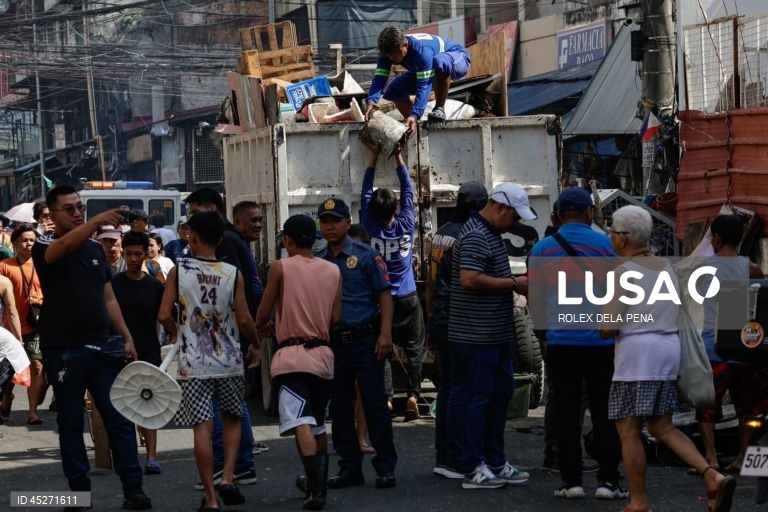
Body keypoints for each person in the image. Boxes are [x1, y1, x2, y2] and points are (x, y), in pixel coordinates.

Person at [600, 205, 736, 512]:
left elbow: (609, 326)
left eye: (613, 232)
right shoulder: (666, 268)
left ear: (623, 237)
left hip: (637, 358)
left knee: (628, 429)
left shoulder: (623, 273)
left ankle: (639, 502)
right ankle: (711, 476)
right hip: (667, 351)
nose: (611, 237)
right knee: (663, 427)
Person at [32, 185, 151, 510]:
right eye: (68, 209)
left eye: (79, 208)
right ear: (53, 215)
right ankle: (78, 496)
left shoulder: (95, 249)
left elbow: (108, 297)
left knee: (119, 420)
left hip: (102, 348)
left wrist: (126, 335)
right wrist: (96, 221)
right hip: (65, 351)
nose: (76, 213)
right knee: (71, 424)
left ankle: (134, 490)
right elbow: (63, 247)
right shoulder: (45, 245)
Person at [528, 186, 626, 500]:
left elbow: (536, 299)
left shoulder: (542, 249)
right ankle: (608, 482)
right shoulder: (608, 246)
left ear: (558, 215)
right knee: (605, 411)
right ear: (589, 212)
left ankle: (571, 482)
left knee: (566, 412)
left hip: (561, 342)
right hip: (601, 342)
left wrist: (543, 337)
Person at [158, 211, 259, 512]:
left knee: (202, 429)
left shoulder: (180, 271)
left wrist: (177, 332)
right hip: (229, 360)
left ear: (192, 237)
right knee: (232, 418)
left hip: (194, 363)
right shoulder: (233, 273)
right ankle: (227, 477)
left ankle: (211, 498)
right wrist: (256, 344)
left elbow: (163, 315)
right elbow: (244, 319)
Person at [447, 183, 533, 490]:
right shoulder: (475, 235)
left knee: (498, 397)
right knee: (477, 399)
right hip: (474, 336)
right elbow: (469, 279)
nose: (516, 223)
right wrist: (514, 284)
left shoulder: (491, 233)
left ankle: (495, 461)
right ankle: (473, 466)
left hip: (494, 335)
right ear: (500, 207)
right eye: (514, 216)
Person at [254, 214, 342, 510]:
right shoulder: (333, 270)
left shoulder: (280, 267)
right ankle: (314, 484)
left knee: (300, 420)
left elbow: (263, 311)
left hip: (291, 357)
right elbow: (336, 317)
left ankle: (317, 491)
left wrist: (261, 328)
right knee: (317, 424)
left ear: (288, 241)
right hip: (324, 358)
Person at [316, 197, 398, 488]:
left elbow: (384, 294)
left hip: (365, 340)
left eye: (335, 220)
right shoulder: (319, 261)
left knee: (375, 405)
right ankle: (350, 468)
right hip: (334, 343)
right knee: (339, 408)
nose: (329, 226)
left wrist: (385, 334)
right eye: (324, 221)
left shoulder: (366, 256)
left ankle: (385, 467)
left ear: (347, 223)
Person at [185, 188, 259, 488]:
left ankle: (225, 470)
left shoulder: (222, 243)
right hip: (229, 341)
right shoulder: (231, 240)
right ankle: (238, 467)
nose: (192, 219)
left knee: (215, 414)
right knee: (232, 408)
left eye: (195, 212)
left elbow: (237, 302)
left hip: (218, 343)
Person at [426, 180, 487, 479]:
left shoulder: (441, 234)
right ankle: (457, 456)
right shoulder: (469, 235)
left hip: (440, 315)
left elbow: (431, 282)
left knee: (448, 389)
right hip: (460, 318)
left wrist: (430, 318)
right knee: (462, 390)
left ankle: (445, 456)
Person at [695, 214, 766, 473]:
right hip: (744, 345)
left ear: (716, 238)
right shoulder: (752, 269)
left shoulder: (703, 269)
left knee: (707, 404)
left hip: (714, 346)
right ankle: (744, 458)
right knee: (747, 406)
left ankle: (711, 458)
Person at [360, 143, 424, 420]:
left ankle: (386, 399)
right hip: (408, 297)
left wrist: (373, 156)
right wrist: (398, 155)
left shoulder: (368, 226)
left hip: (379, 300)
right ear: (395, 209)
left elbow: (365, 192)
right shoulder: (406, 223)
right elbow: (408, 190)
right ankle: (412, 394)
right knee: (414, 348)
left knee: (381, 349)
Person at [112, 230, 165, 476]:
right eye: (129, 253)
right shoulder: (113, 285)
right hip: (117, 351)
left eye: (138, 254)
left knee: (148, 404)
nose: (133, 258)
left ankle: (152, 457)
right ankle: (128, 454)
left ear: (146, 255)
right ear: (123, 254)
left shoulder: (155, 286)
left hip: (148, 351)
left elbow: (163, 317)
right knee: (123, 406)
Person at [366, 25, 471, 127]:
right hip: (433, 69)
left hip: (458, 58)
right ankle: (415, 125)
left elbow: (424, 85)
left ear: (405, 45)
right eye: (388, 56)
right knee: (395, 89)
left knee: (439, 62)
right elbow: (379, 78)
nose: (391, 59)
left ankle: (439, 109)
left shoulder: (421, 51)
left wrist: (415, 114)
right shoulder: (387, 52)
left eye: (394, 55)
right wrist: (372, 100)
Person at [0, 224, 44, 425]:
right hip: (8, 328)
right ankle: (7, 396)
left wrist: (41, 300)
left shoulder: (43, 265)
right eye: (25, 240)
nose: (29, 244)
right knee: (8, 369)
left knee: (36, 365)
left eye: (32, 240)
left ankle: (32, 412)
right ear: (15, 244)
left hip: (36, 326)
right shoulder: (4, 266)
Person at [347, 223, 375, 453]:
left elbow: (384, 295)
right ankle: (347, 437)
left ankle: (361, 437)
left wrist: (385, 334)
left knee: (363, 391)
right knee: (343, 391)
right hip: (337, 335)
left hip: (365, 333)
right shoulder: (329, 261)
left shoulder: (370, 261)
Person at [0, 252, 24, 424]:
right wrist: (18, 340)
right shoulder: (4, 282)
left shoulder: (3, 282)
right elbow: (11, 312)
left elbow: (12, 312)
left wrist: (19, 339)